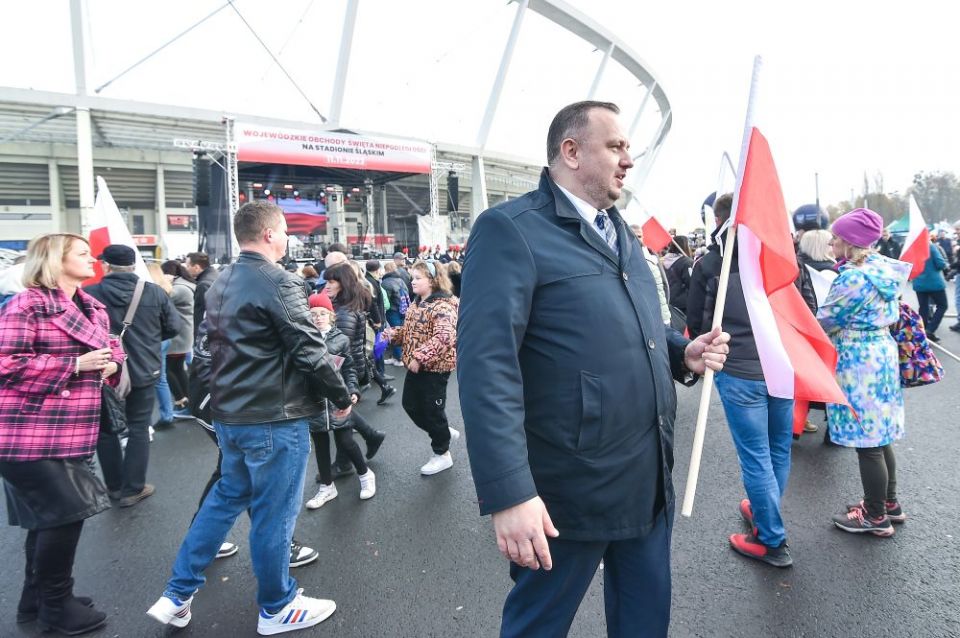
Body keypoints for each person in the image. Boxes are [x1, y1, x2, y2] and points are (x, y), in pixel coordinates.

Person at [457, 101, 730, 638]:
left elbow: (634, 325)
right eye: (616, 146)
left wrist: (682, 353)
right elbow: (487, 368)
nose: (629, 158)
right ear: (572, 151)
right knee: (539, 625)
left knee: (645, 621)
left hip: (648, 477)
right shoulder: (510, 231)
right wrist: (509, 492)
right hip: (569, 491)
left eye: (628, 147)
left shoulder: (623, 235)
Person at [146, 201, 353, 635]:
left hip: (232, 414)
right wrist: (340, 395)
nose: (288, 238)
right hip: (273, 418)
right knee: (274, 515)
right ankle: (277, 605)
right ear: (272, 233)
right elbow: (308, 349)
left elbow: (209, 350)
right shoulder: (279, 281)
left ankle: (177, 594)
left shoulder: (220, 281)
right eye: (284, 231)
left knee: (223, 501)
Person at [0, 233, 124, 635]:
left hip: (70, 430)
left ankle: (35, 602)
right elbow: (5, 362)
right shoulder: (27, 304)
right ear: (56, 260)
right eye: (83, 254)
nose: (94, 259)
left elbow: (110, 351)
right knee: (66, 515)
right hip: (29, 431)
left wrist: (111, 366)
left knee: (49, 519)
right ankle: (56, 604)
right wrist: (73, 365)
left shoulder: (92, 305)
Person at [686, 193, 798, 568]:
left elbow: (700, 326)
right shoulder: (778, 259)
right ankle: (766, 512)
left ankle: (770, 538)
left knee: (757, 457)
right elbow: (805, 311)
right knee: (776, 449)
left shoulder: (711, 265)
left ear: (718, 219)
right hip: (781, 369)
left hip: (740, 372)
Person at [817, 208, 911, 537]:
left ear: (850, 242)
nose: (831, 243)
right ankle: (889, 504)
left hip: (858, 359)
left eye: (836, 238)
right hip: (881, 356)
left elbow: (827, 320)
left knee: (867, 442)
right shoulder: (884, 269)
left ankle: (874, 516)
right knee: (880, 435)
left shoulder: (853, 277)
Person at [85, 245, 181, 508]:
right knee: (138, 427)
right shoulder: (153, 292)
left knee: (106, 430)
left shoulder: (89, 293)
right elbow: (173, 327)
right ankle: (133, 488)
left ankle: (114, 486)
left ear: (105, 265)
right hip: (143, 367)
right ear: (134, 265)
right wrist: (148, 340)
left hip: (102, 369)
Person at [383, 261, 460, 475]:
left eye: (418, 278)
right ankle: (442, 432)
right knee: (411, 405)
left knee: (432, 411)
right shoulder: (418, 302)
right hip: (416, 366)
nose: (412, 281)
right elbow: (411, 331)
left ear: (432, 280)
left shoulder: (443, 305)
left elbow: (445, 337)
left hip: (435, 368)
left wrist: (420, 357)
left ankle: (442, 453)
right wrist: (393, 335)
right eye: (413, 277)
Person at [304, 293, 375, 508]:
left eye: (323, 314)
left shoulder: (341, 339)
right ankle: (327, 487)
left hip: (338, 400)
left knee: (346, 441)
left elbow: (349, 368)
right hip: (313, 403)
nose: (318, 318)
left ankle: (365, 475)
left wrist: (353, 389)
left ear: (331, 315)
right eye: (313, 314)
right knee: (321, 446)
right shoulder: (303, 339)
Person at [319, 263, 388, 471]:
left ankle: (344, 463)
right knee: (343, 413)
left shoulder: (344, 311)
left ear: (343, 283)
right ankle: (370, 437)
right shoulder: (345, 305)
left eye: (331, 281)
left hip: (346, 370)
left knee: (341, 416)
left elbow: (339, 349)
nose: (327, 285)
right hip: (353, 367)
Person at [161, 260, 195, 413]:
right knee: (178, 368)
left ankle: (181, 399)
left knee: (168, 369)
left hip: (177, 336)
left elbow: (161, 300)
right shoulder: (186, 284)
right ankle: (188, 399)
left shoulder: (179, 289)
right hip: (184, 333)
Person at [630, 224, 671, 324]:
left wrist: (664, 306)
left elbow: (664, 284)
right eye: (633, 236)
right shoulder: (626, 257)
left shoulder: (652, 256)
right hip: (643, 317)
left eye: (639, 236)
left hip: (660, 315)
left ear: (643, 237)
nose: (637, 239)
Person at [911, 236, 949, 342]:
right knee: (942, 306)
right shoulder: (931, 247)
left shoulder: (912, 248)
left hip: (919, 283)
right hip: (934, 283)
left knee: (924, 308)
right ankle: (930, 330)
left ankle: (923, 334)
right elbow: (940, 264)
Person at [381, 262, 411, 365]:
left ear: (386, 270)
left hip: (393, 310)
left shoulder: (385, 282)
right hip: (403, 309)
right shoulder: (400, 280)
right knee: (401, 331)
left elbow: (386, 299)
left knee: (394, 333)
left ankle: (399, 358)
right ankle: (397, 356)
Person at [184, 252, 217, 334]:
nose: (186, 269)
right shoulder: (216, 276)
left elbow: (201, 315)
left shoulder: (203, 284)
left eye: (188, 266)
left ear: (196, 267)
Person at [662, 236, 693, 315]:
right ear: (685, 245)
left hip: (667, 301)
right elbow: (692, 283)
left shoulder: (662, 261)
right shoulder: (687, 262)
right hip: (683, 305)